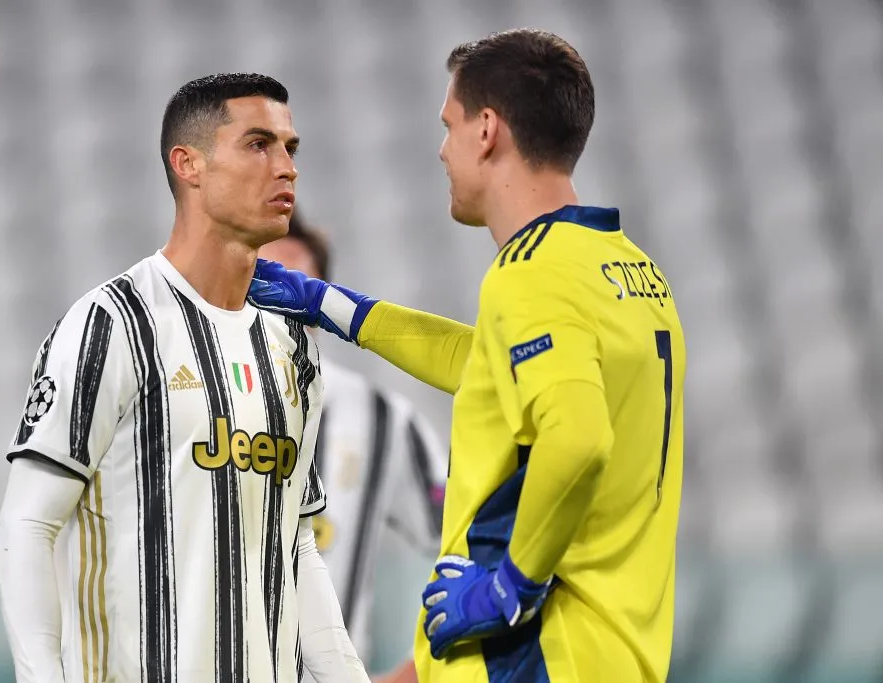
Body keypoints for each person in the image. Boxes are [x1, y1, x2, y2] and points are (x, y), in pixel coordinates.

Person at [246, 29, 686, 683]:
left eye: (449, 126)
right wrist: (332, 306)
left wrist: (511, 584)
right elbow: (490, 368)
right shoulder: (628, 267)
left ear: (487, 131)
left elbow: (578, 437)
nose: (442, 150)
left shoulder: (530, 274)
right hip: (612, 653)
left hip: (538, 657)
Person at [0, 73, 370, 683]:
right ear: (188, 164)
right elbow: (28, 525)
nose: (286, 168)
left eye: (290, 147)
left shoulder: (293, 346)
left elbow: (294, 543)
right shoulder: (112, 323)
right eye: (258, 144)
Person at [258, 211, 448, 683]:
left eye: (295, 292)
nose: (277, 309)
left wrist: (416, 671)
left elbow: (479, 544)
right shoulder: (177, 403)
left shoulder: (380, 418)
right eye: (260, 287)